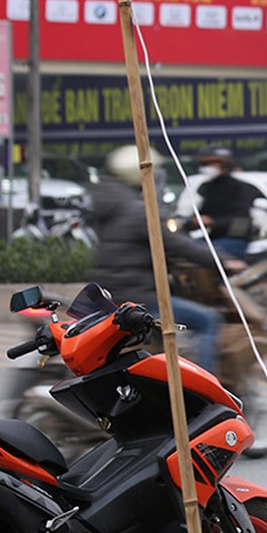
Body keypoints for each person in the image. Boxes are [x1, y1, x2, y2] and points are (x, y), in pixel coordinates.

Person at [90, 145, 244, 377]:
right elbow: (179, 245)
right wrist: (223, 261)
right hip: (139, 300)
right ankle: (203, 390)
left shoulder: (110, 206)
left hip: (112, 296)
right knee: (209, 320)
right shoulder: (139, 211)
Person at [193, 147, 264, 256]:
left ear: (225, 165)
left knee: (205, 252)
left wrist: (212, 222)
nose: (207, 167)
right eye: (205, 164)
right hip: (213, 237)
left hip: (235, 239)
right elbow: (200, 213)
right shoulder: (209, 188)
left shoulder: (238, 188)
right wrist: (193, 222)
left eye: (211, 163)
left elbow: (241, 217)